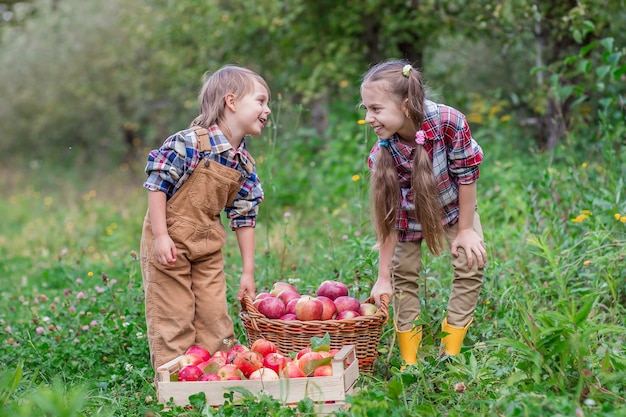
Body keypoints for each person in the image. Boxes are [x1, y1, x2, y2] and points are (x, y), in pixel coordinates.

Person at [140, 65, 271, 371]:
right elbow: (157, 184)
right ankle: (173, 383)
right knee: (173, 313)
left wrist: (248, 272)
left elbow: (244, 215)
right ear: (232, 102)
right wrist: (160, 236)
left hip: (207, 245)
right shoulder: (189, 143)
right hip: (170, 240)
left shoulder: (244, 162)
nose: (267, 110)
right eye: (261, 101)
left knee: (216, 318)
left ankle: (216, 379)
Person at [360, 59, 487, 366]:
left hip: (454, 205)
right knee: (402, 274)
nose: (368, 118)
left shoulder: (449, 122)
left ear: (405, 105)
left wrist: (467, 230)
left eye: (375, 109)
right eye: (365, 109)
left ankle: (451, 351)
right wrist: (382, 277)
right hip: (407, 215)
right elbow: (388, 214)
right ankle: (410, 361)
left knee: (471, 262)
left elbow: (467, 175)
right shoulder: (382, 153)